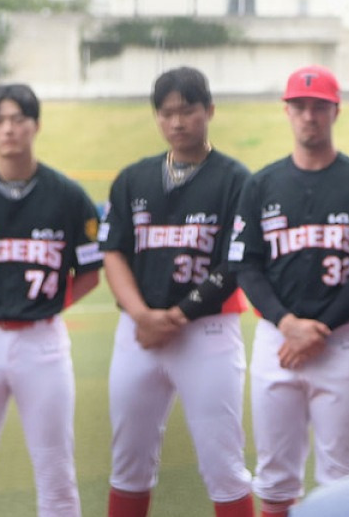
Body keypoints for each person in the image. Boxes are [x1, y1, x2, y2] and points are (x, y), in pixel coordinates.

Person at [228, 65, 349, 516]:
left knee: (342, 476)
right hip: (276, 340)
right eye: (299, 106)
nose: (308, 116)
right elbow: (246, 265)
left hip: (340, 341)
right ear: (287, 111)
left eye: (318, 106)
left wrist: (319, 328)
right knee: (275, 477)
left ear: (334, 111)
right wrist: (288, 324)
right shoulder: (261, 184)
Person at [0, 83, 103, 517]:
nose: (8, 129)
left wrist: (47, 305)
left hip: (42, 342)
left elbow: (90, 272)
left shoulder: (67, 196)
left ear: (35, 125)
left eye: (17, 119)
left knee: (56, 474)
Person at [100, 67, 254, 517]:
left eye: (187, 110)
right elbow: (113, 253)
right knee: (128, 462)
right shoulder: (133, 179)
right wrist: (143, 316)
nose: (177, 122)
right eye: (166, 113)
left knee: (223, 464)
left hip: (206, 333)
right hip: (139, 334)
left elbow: (237, 262)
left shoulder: (235, 179)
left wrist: (178, 315)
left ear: (209, 110)